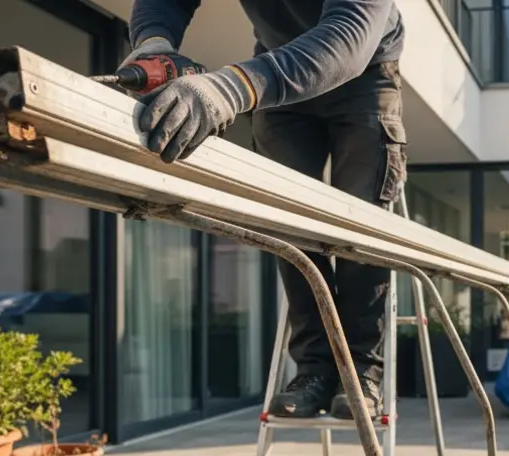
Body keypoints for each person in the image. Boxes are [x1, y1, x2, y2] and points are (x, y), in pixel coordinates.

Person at [122, 0, 407, 419]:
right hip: (282, 74)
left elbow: (349, 36)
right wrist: (153, 41)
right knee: (287, 228)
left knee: (360, 231)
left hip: (363, 73)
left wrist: (232, 88)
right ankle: (314, 371)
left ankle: (362, 372)